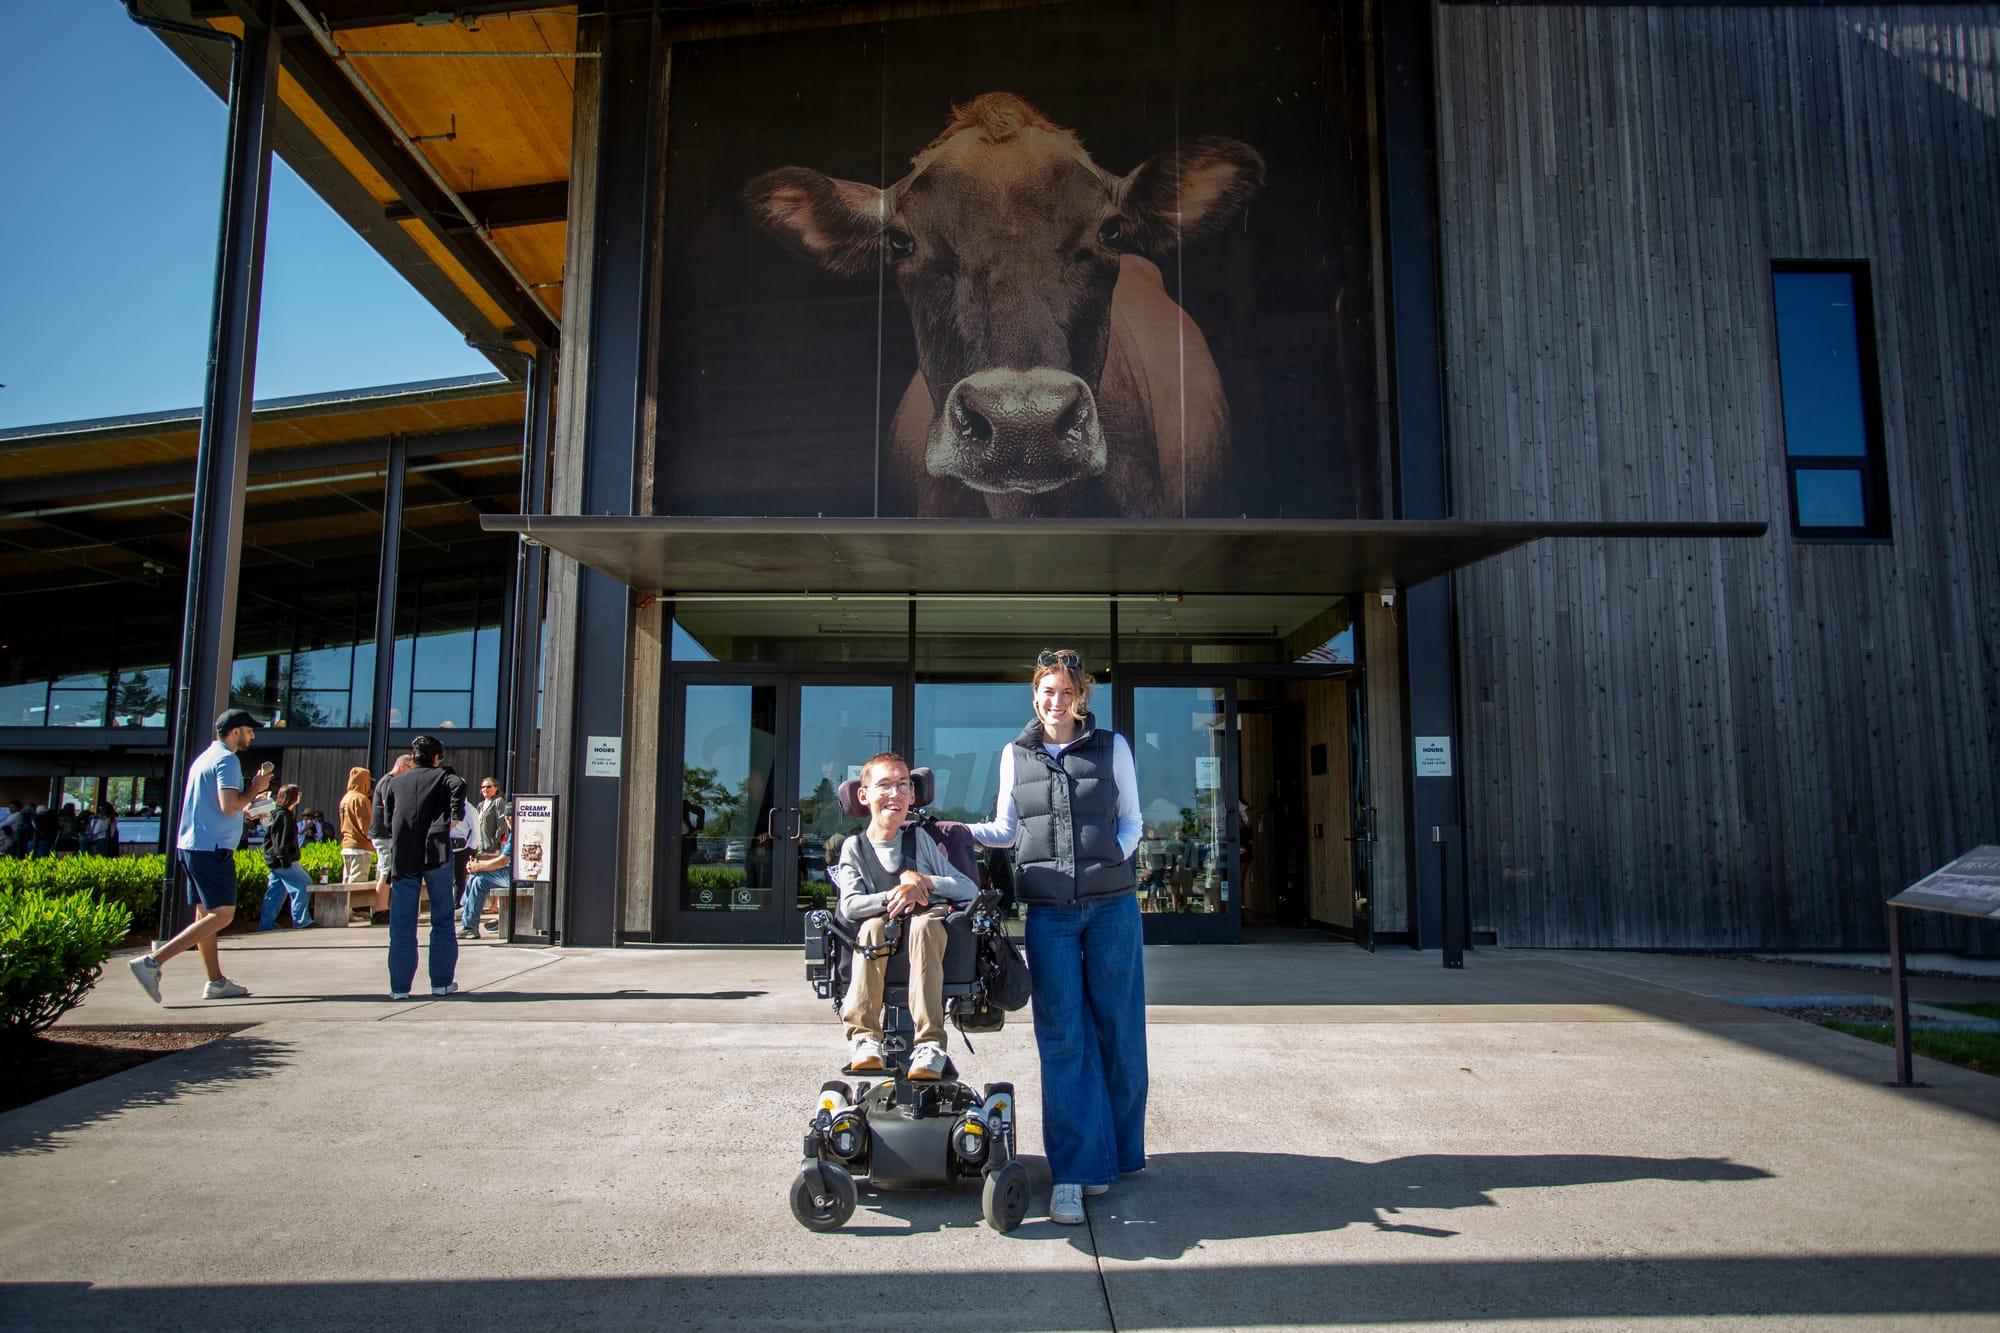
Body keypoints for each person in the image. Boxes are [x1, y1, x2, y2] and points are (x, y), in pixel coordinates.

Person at [967, 649, 1145, 1226]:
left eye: (1066, 692)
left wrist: (1111, 857)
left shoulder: (1111, 748)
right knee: (1063, 1037)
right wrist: (951, 831)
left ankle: (1118, 1152)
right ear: (1035, 695)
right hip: (1049, 914)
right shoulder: (1015, 754)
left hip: (1113, 907)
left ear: (1081, 697)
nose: (1056, 701)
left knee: (1119, 1030)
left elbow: (1133, 820)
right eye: (1047, 691)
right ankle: (1074, 1170)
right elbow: (1005, 828)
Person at [829, 751, 976, 1080]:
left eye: (903, 785)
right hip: (880, 931)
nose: (894, 794)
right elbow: (850, 905)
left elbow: (967, 888)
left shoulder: (919, 839)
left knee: (924, 925)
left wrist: (924, 881)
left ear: (912, 795)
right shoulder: (854, 847)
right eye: (884, 785)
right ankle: (865, 1039)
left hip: (925, 927)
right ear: (864, 796)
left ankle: (930, 1043)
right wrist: (896, 893)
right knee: (871, 928)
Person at [129, 708, 274, 1003]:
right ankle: (153, 962)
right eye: (249, 731)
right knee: (222, 914)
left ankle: (216, 982)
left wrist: (247, 807)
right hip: (213, 848)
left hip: (192, 845)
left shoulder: (205, 758)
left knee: (205, 915)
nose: (252, 736)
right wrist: (255, 788)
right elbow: (229, 805)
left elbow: (222, 805)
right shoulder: (227, 760)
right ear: (235, 731)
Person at [379, 734, 466, 999]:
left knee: (401, 925)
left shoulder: (395, 782)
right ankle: (441, 983)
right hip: (435, 852)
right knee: (442, 919)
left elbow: (388, 820)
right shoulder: (443, 776)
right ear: (437, 757)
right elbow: (459, 784)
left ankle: (399, 988)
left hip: (404, 854)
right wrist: (455, 815)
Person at [257, 784, 315, 931]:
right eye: (298, 793)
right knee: (304, 883)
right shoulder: (283, 816)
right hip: (282, 860)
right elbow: (279, 841)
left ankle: (266, 925)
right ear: (292, 797)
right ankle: (301, 920)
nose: (300, 796)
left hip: (275, 860)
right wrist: (285, 860)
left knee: (276, 892)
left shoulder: (279, 814)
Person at [367, 753, 415, 925]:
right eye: (410, 769)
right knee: (386, 871)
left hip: (385, 834)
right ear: (402, 766)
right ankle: (380, 911)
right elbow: (391, 807)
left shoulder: (387, 781)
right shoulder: (389, 782)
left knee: (385, 870)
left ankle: (382, 908)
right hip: (384, 835)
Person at [459, 832, 511, 939]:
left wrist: (478, 867)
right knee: (480, 880)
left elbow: (502, 862)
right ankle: (468, 919)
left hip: (518, 876)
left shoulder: (517, 833)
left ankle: (466, 913)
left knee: (477, 875)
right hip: (516, 873)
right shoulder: (516, 832)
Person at [338, 766, 374, 890]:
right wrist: (373, 842)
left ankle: (344, 904)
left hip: (347, 845)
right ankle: (351, 905)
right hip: (360, 847)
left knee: (346, 883)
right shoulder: (361, 799)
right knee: (356, 885)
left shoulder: (345, 798)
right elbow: (366, 825)